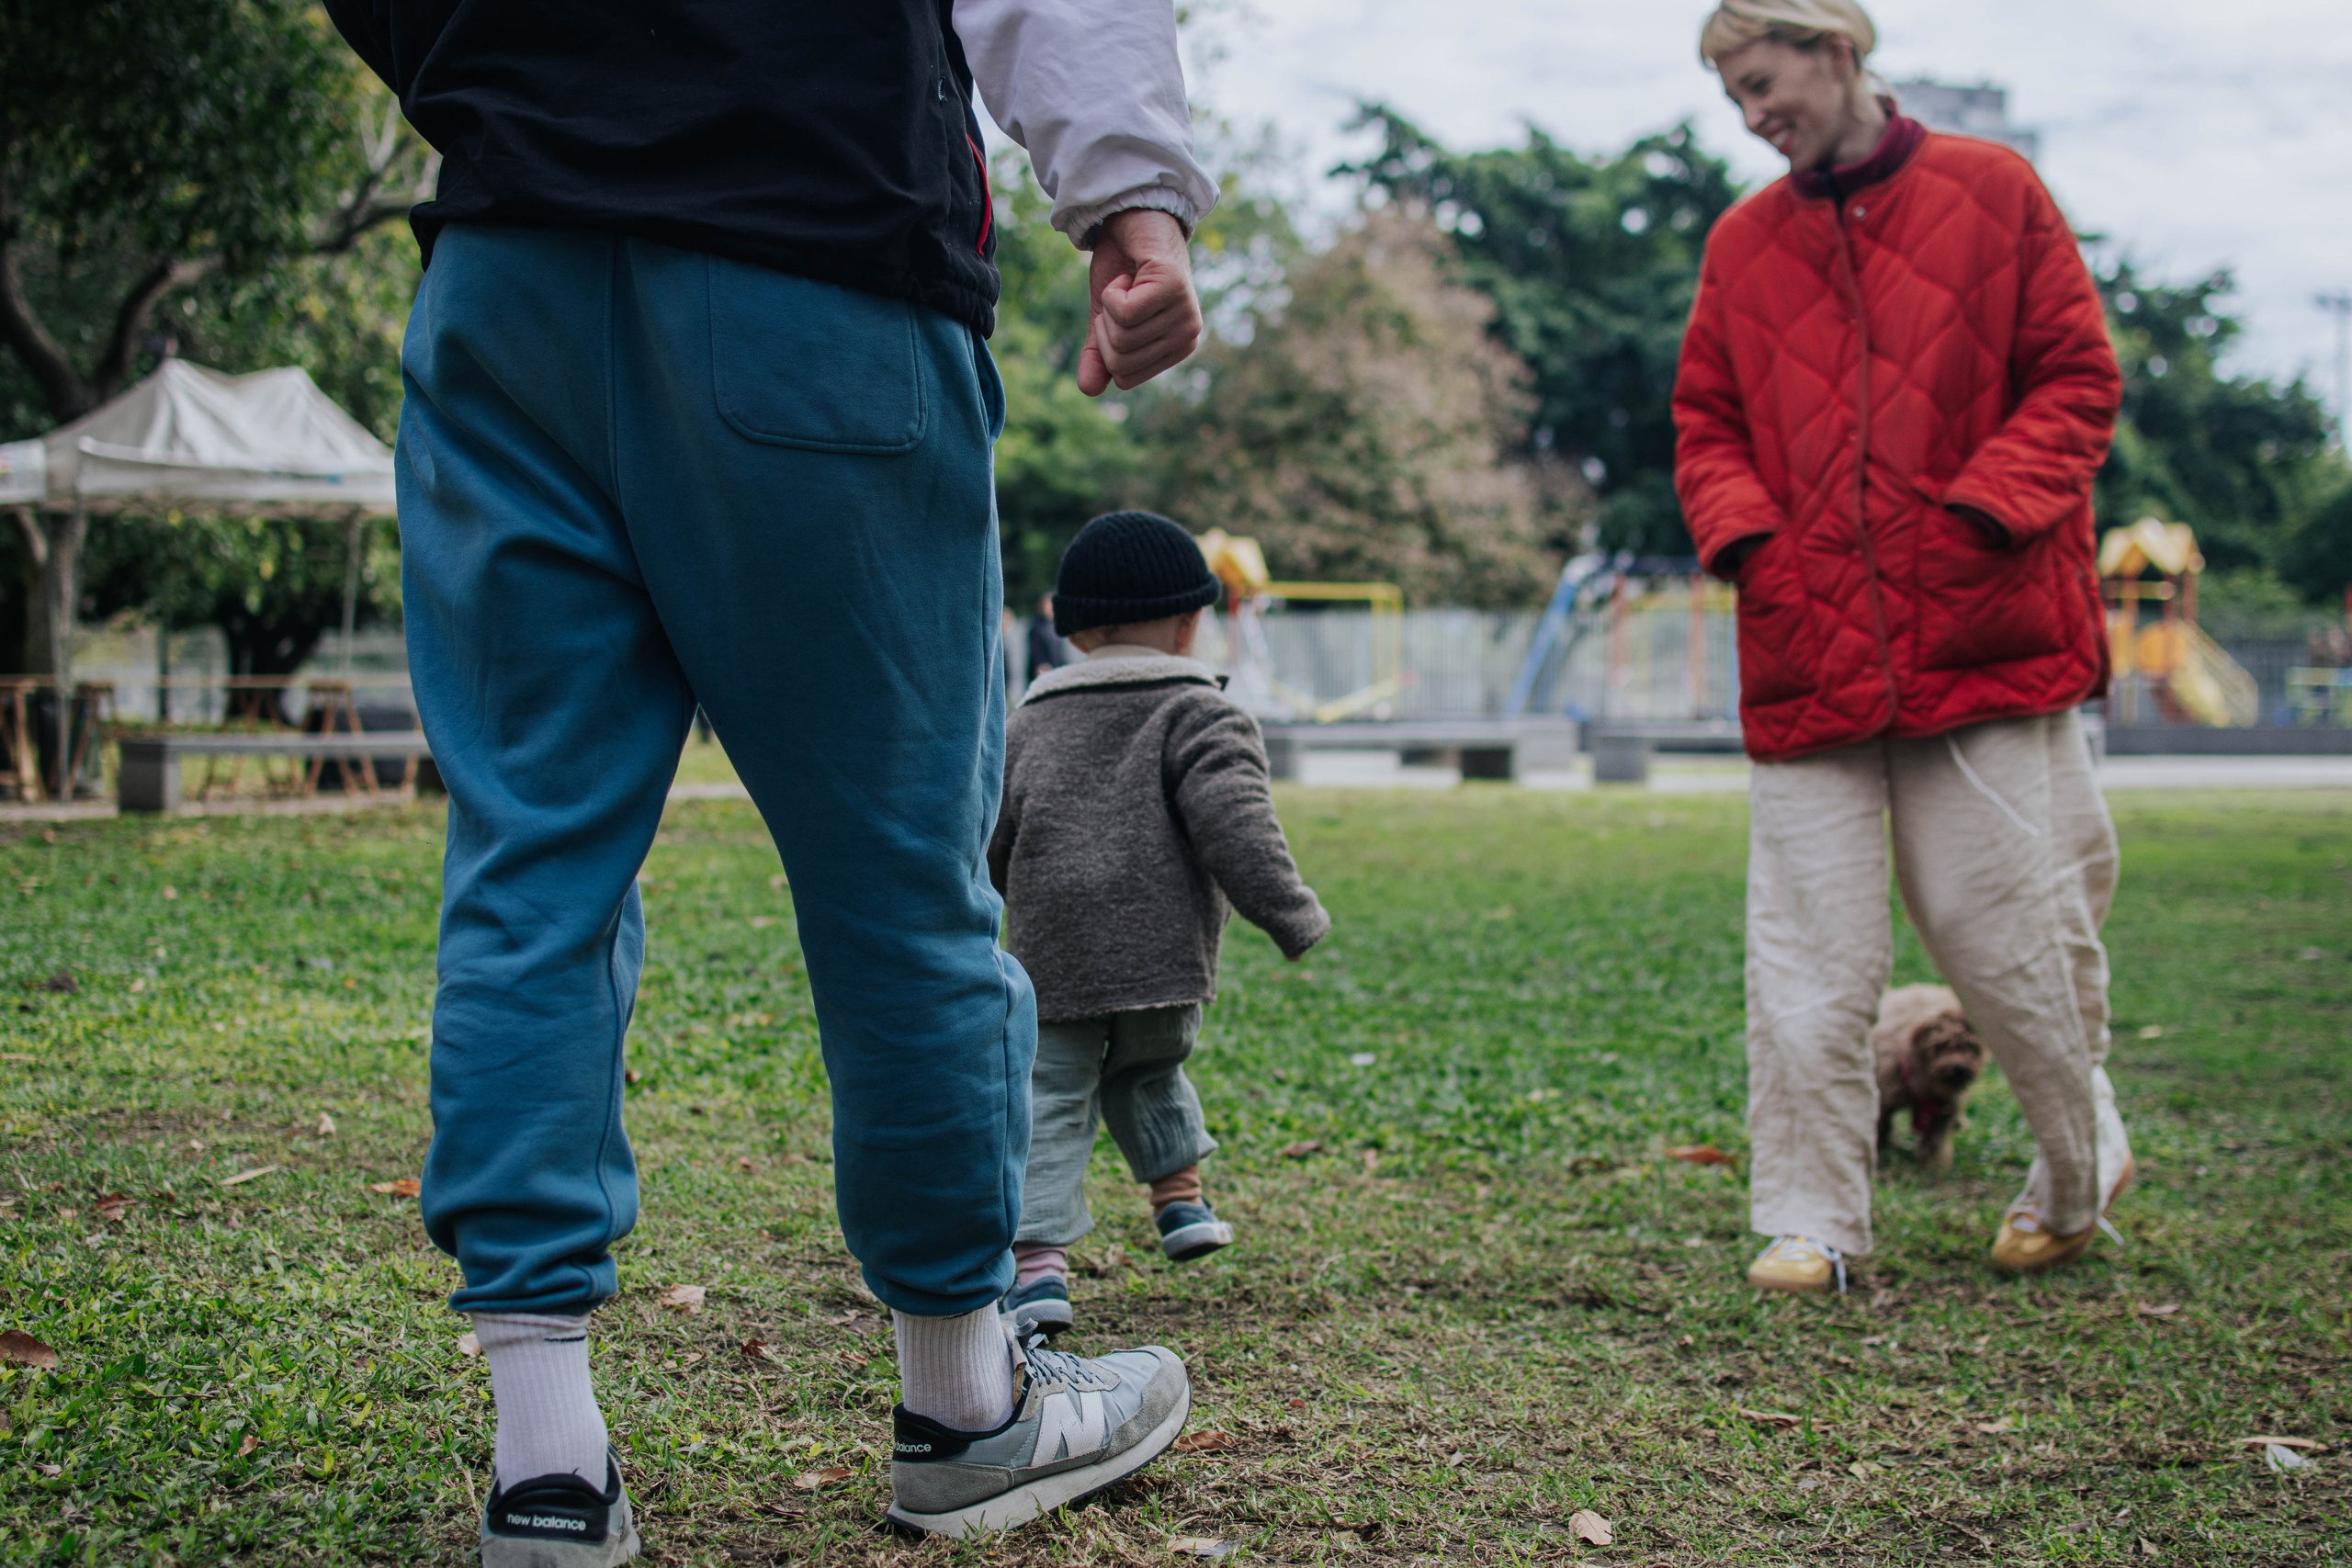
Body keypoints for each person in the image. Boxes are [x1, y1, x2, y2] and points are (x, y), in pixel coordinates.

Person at [321, 0, 1218, 1554]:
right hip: (814, 243)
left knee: (529, 864)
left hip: (509, 267)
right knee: (898, 885)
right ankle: (964, 1405)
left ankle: (546, 1464)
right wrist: (1130, 192)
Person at [1676, 0, 2134, 1295]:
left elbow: (2075, 379)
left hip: (1984, 629)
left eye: (1766, 83)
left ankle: (2074, 1163)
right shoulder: (1742, 242)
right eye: (1736, 101)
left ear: (1837, 49)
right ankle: (1813, 1216)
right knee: (1806, 958)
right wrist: (1753, 544)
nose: (1757, 116)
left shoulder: (1996, 191)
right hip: (1806, 647)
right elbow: (1705, 420)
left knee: (2013, 936)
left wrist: (1983, 511)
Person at [988, 513, 1329, 1337]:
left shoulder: (1029, 718)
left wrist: (1003, 896)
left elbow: (992, 827)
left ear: (1074, 626)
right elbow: (1237, 825)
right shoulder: (1201, 711)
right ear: (1188, 623)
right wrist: (1290, 913)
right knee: (1151, 1066)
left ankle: (1037, 1271)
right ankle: (1179, 1203)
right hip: (1160, 955)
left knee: (1051, 1093)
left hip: (1052, 950)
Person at [1027, 592, 1076, 682]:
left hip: (1059, 668)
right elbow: (1035, 651)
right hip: (1045, 671)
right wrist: (1041, 665)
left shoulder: (1058, 624)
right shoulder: (1036, 627)